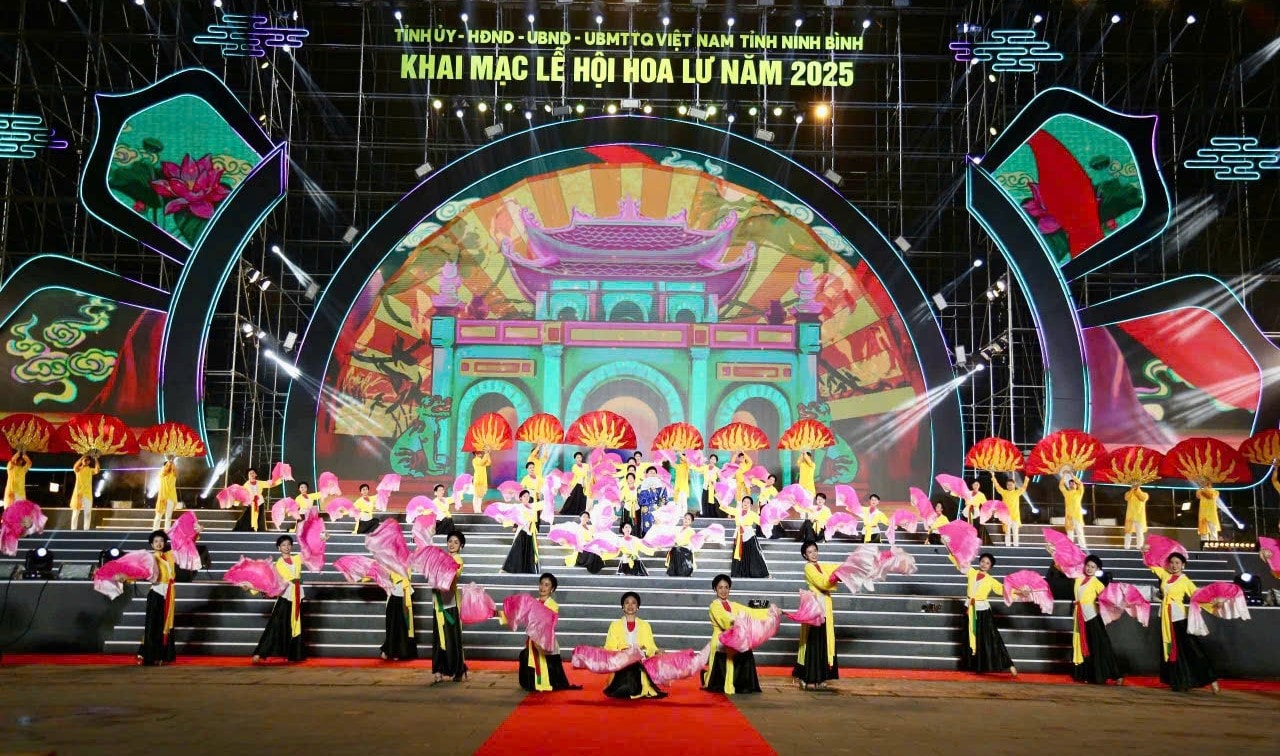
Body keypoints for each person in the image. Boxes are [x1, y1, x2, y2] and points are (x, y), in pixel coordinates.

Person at [1142, 546, 1219, 693]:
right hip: (1166, 619)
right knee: (1171, 650)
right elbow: (1151, 565)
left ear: (1183, 565)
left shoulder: (1185, 580)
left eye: (1177, 563)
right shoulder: (1165, 576)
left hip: (1179, 618)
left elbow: (1198, 594)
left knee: (1192, 649)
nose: (1174, 565)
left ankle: (1211, 679)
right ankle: (1179, 680)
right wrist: (1145, 552)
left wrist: (1213, 601)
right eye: (1171, 562)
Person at [702, 574, 768, 695]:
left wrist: (771, 612)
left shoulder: (734, 605)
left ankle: (743, 684)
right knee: (736, 648)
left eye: (726, 587)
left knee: (747, 648)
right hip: (721, 639)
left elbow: (750, 612)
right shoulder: (714, 606)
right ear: (715, 589)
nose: (723, 590)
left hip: (735, 636)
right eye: (720, 587)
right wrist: (738, 620)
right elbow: (725, 621)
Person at [517, 573, 581, 692]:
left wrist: (538, 641)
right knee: (526, 655)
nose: (543, 587)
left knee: (541, 658)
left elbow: (547, 625)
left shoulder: (553, 606)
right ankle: (532, 683)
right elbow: (519, 615)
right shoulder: (532, 602)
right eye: (541, 584)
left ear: (552, 589)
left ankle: (543, 682)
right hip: (532, 641)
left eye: (547, 585)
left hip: (545, 641)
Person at [252, 534, 306, 663]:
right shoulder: (277, 565)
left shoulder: (298, 558)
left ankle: (294, 655)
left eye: (289, 544)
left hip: (298, 594)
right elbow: (266, 581)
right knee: (275, 624)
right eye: (283, 545)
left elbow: (312, 553)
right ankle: (260, 653)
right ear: (278, 548)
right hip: (285, 595)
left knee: (295, 625)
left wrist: (322, 540)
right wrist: (251, 587)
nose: (286, 547)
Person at [961, 553, 1017, 676]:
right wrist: (947, 545)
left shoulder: (991, 580)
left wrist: (1020, 592)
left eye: (987, 563)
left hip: (983, 611)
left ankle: (1008, 664)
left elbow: (1004, 589)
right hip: (969, 608)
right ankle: (975, 666)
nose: (984, 564)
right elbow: (959, 560)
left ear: (990, 566)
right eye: (982, 561)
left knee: (991, 637)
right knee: (970, 637)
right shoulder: (971, 572)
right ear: (979, 562)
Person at [793, 541, 839, 690]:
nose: (813, 554)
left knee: (823, 644)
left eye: (815, 550)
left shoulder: (822, 566)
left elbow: (836, 569)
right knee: (812, 644)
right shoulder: (808, 567)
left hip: (825, 608)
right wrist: (836, 576)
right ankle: (806, 677)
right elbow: (822, 583)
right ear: (805, 555)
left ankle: (820, 678)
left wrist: (845, 570)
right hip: (814, 610)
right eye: (810, 552)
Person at [602, 592, 666, 699]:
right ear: (623, 606)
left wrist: (656, 651)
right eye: (627, 603)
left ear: (638, 607)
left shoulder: (645, 625)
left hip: (639, 663)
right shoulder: (614, 625)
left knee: (635, 663)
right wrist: (624, 651)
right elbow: (610, 646)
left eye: (633, 603)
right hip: (621, 662)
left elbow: (650, 646)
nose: (630, 605)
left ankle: (634, 688)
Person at [1071, 555, 1123, 685]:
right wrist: (1054, 554)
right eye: (1088, 566)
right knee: (1085, 647)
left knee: (1101, 647)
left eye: (1093, 567)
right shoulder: (1079, 579)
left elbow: (1108, 597)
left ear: (1097, 569)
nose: (1089, 569)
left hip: (1093, 618)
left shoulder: (1096, 583)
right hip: (1080, 618)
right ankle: (1090, 675)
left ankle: (1116, 675)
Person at [137, 530, 177, 666]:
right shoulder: (150, 558)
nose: (159, 543)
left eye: (161, 541)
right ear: (151, 544)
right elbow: (139, 571)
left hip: (168, 594)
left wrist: (195, 533)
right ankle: (148, 655)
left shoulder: (170, 555)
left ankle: (161, 655)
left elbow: (185, 547)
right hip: (156, 593)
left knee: (164, 625)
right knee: (152, 625)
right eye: (156, 541)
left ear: (165, 543)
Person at [432, 531, 468, 683]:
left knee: (451, 638)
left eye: (456, 542)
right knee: (438, 638)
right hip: (438, 602)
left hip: (450, 603)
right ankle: (438, 669)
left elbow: (453, 575)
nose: (452, 544)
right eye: (450, 541)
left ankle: (457, 669)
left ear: (461, 546)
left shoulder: (458, 560)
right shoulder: (441, 558)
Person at [381, 555, 418, 661]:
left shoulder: (408, 561)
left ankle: (400, 651)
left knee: (403, 625)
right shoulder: (389, 562)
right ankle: (390, 650)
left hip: (404, 596)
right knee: (393, 625)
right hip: (394, 595)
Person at [723, 495, 769, 578]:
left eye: (748, 502)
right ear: (742, 503)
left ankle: (760, 573)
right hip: (738, 535)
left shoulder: (752, 514)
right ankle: (739, 573)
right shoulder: (737, 511)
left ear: (750, 505)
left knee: (753, 554)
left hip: (749, 535)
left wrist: (771, 519)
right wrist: (720, 499)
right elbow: (726, 508)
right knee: (739, 554)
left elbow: (761, 521)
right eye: (744, 502)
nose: (746, 503)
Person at [500, 490, 540, 574]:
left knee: (528, 551)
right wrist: (516, 525)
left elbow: (539, 510)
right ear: (520, 498)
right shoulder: (518, 507)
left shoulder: (532, 507)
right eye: (524, 496)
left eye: (528, 496)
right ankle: (507, 568)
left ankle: (527, 569)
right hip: (522, 530)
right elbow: (515, 517)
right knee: (516, 550)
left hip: (530, 532)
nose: (526, 498)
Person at [239, 468, 283, 532]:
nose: (252, 474)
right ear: (248, 476)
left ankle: (261, 530)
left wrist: (279, 479)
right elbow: (242, 495)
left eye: (253, 473)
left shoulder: (259, 483)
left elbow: (270, 484)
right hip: (251, 504)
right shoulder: (246, 485)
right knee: (249, 518)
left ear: (255, 474)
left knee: (260, 518)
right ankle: (251, 529)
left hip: (260, 502)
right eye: (250, 473)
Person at [992, 472, 1027, 547]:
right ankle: (1007, 547)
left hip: (1015, 517)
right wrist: (993, 476)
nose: (1009, 486)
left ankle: (1016, 547)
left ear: (1014, 485)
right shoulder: (1004, 492)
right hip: (1006, 517)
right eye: (1008, 485)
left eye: (1011, 484)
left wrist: (1027, 477)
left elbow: (1024, 487)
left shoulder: (1017, 492)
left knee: (1015, 533)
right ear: (1006, 486)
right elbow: (997, 486)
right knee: (1007, 533)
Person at [69, 454, 99, 531]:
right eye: (85, 460)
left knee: (87, 513)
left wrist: (96, 459)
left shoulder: (90, 470)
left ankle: (86, 529)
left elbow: (97, 470)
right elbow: (75, 466)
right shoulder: (78, 469)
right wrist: (82, 457)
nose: (86, 461)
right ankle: (73, 529)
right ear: (82, 461)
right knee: (76, 512)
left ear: (89, 462)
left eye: (88, 460)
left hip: (87, 494)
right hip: (78, 494)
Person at [635, 465, 668, 537]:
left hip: (658, 512)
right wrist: (649, 490)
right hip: (646, 511)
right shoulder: (641, 486)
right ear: (646, 474)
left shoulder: (661, 487)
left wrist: (660, 501)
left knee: (657, 532)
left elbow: (665, 500)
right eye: (650, 472)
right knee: (646, 530)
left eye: (654, 473)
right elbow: (641, 501)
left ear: (656, 475)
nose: (652, 474)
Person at [1060, 473, 1088, 549]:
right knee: (1070, 532)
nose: (1072, 485)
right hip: (1069, 516)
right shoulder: (1066, 493)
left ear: (1076, 485)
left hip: (1077, 515)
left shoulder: (1079, 492)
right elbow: (1061, 486)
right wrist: (1063, 476)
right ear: (1069, 486)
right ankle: (1070, 547)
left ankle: (1083, 547)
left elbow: (1081, 484)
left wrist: (1073, 476)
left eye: (1073, 484)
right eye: (1070, 484)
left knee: (1079, 531)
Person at [153, 455, 179, 530]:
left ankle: (167, 531)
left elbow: (174, 469)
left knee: (168, 517)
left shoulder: (173, 475)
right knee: (159, 515)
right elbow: (165, 469)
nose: (169, 466)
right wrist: (169, 461)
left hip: (171, 497)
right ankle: (155, 530)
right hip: (162, 497)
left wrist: (172, 461)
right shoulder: (162, 474)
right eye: (167, 465)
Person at [666, 512, 697, 576]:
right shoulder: (678, 529)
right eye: (685, 518)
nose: (686, 520)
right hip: (677, 548)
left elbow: (693, 544)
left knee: (677, 549)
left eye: (689, 519)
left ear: (691, 522)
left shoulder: (691, 531)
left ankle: (682, 570)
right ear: (683, 519)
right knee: (674, 549)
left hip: (686, 550)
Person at [562, 451, 590, 515]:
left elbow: (589, 474)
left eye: (580, 457)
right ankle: (571, 511)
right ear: (575, 459)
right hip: (578, 484)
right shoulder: (574, 466)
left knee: (583, 499)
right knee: (574, 498)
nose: (579, 459)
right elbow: (576, 475)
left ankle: (581, 512)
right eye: (577, 457)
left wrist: (588, 481)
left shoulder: (586, 465)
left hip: (585, 484)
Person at [1123, 483, 1149, 550]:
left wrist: (1137, 489)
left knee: (1139, 533)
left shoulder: (1145, 494)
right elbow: (1126, 498)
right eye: (1133, 485)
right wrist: (1132, 489)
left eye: (1136, 485)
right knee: (1128, 532)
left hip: (1139, 517)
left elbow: (1142, 498)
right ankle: (1126, 547)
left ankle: (1139, 546)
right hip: (1130, 517)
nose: (1134, 486)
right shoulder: (1129, 493)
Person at [697, 454, 721, 518]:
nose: (712, 460)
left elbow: (720, 478)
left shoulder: (717, 469)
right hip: (705, 486)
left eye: (714, 459)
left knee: (712, 502)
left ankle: (712, 515)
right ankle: (705, 514)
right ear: (710, 459)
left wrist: (715, 482)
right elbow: (698, 470)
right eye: (712, 458)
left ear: (716, 461)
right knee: (704, 500)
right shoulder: (705, 467)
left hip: (712, 488)